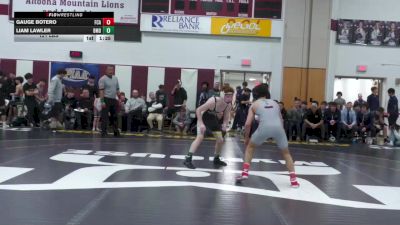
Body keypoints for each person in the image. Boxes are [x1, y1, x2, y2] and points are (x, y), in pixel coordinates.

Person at [236, 84, 299, 188]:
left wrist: (246, 138)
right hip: (279, 129)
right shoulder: (275, 103)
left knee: (250, 148)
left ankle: (245, 173)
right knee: (286, 153)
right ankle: (294, 180)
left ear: (255, 94)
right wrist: (281, 133)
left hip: (264, 128)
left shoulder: (254, 104)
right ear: (266, 94)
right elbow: (281, 120)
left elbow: (247, 124)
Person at [183, 86, 234, 169]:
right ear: (222, 95)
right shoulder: (214, 101)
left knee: (220, 139)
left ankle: (216, 158)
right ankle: (188, 159)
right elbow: (198, 110)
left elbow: (226, 117)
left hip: (212, 120)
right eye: (227, 96)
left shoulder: (228, 105)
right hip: (203, 117)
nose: (230, 98)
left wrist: (225, 125)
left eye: (231, 96)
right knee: (200, 137)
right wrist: (201, 123)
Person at [98, 65, 120, 137]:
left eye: (112, 70)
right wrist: (102, 101)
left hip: (113, 99)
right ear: (106, 70)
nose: (111, 71)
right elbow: (101, 91)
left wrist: (119, 98)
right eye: (109, 70)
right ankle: (103, 133)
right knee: (104, 117)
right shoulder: (102, 79)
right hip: (106, 99)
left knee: (115, 117)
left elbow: (117, 89)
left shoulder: (115, 78)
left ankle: (116, 132)